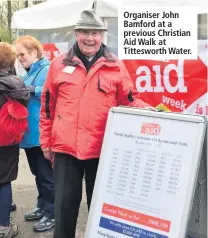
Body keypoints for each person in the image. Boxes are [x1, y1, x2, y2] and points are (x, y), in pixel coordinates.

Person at [39, 10, 154, 238]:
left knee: (100, 210)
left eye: (94, 33)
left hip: (102, 149)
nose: (89, 38)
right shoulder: (58, 65)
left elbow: (129, 100)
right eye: (84, 32)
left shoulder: (115, 66)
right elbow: (47, 106)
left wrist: (151, 112)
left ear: (102, 35)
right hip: (65, 148)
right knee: (64, 209)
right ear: (76, 33)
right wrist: (45, 141)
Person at [14, 36, 55, 232]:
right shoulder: (29, 71)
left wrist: (31, 89)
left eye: (22, 54)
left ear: (34, 53)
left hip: (41, 133)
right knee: (38, 174)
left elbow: (51, 92)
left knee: (47, 176)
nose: (20, 58)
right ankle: (42, 206)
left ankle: (52, 213)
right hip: (30, 134)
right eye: (17, 54)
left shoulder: (46, 69)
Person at [0, 42, 30, 238]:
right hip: (7, 138)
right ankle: (3, 227)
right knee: (4, 180)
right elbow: (23, 103)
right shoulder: (16, 82)